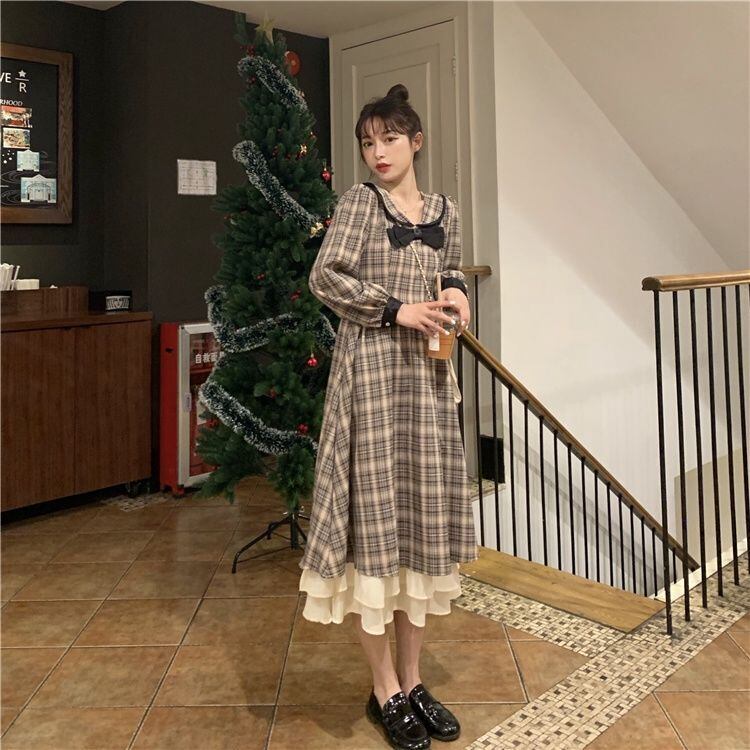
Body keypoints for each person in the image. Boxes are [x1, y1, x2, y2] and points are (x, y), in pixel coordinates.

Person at [298, 83, 478, 750]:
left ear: (415, 142)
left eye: (390, 139)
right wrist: (398, 309)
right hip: (372, 379)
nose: (378, 152)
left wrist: (455, 292)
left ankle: (414, 679)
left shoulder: (444, 209)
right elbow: (325, 277)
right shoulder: (358, 203)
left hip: (426, 384)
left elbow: (449, 266)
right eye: (368, 142)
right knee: (374, 530)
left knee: (419, 527)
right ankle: (384, 691)